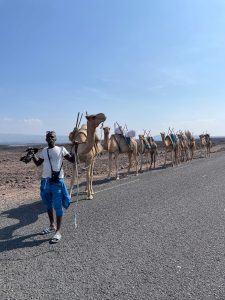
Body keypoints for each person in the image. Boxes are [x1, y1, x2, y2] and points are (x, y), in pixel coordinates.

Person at [32, 131, 74, 243]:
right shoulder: (44, 150)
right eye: (48, 137)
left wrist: (75, 148)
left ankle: (58, 231)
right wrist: (32, 155)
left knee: (58, 206)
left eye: (52, 137)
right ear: (46, 139)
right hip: (45, 181)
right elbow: (38, 163)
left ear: (55, 139)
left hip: (57, 182)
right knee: (48, 204)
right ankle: (52, 225)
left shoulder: (61, 149)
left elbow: (73, 160)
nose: (50, 138)